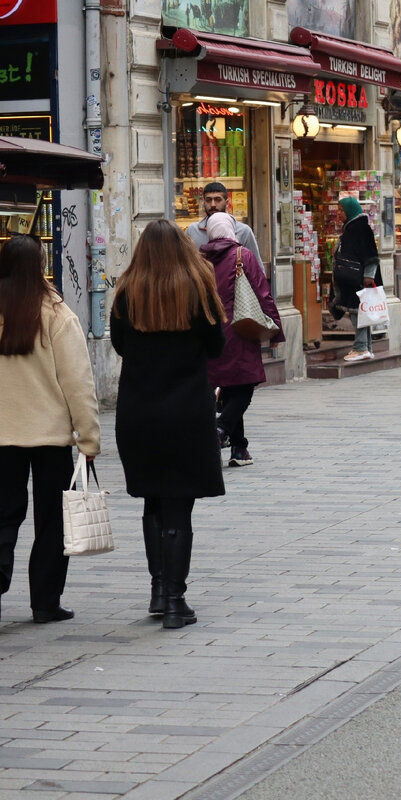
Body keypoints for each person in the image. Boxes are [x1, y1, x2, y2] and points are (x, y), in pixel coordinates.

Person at [110, 220, 225, 629]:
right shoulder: (197, 288)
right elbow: (217, 346)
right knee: (179, 506)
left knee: (153, 500)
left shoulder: (127, 292)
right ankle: (176, 601)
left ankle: (159, 590)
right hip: (186, 411)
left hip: (139, 410)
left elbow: (120, 345)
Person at [0, 234, 100, 624]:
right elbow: (79, 383)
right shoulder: (56, 314)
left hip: (3, 436)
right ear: (40, 266)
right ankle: (45, 602)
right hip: (50, 437)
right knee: (52, 521)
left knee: (3, 515)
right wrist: (89, 438)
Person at [201, 212, 284, 468]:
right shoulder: (242, 256)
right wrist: (275, 330)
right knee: (244, 387)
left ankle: (239, 448)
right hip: (240, 331)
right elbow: (263, 294)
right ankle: (220, 429)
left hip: (209, 333)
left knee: (228, 387)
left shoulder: (199, 261)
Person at [331, 196, 381, 363]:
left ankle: (360, 347)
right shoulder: (352, 227)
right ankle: (366, 347)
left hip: (358, 279)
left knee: (357, 313)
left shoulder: (359, 228)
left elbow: (371, 255)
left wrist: (368, 276)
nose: (338, 213)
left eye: (341, 210)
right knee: (361, 312)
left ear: (350, 211)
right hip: (354, 278)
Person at [184, 182, 263, 266]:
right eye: (208, 200)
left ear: (227, 202)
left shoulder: (243, 231)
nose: (213, 204)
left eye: (218, 199)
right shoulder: (192, 231)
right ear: (203, 202)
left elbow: (256, 267)